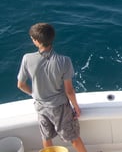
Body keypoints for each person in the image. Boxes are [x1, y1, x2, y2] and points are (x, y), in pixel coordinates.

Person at [17, 23, 87, 152]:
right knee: (73, 137)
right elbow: (69, 91)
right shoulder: (64, 61)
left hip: (40, 106)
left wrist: (34, 94)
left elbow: (20, 85)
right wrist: (76, 107)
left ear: (37, 41)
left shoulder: (26, 58)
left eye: (32, 39)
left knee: (46, 136)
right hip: (59, 108)